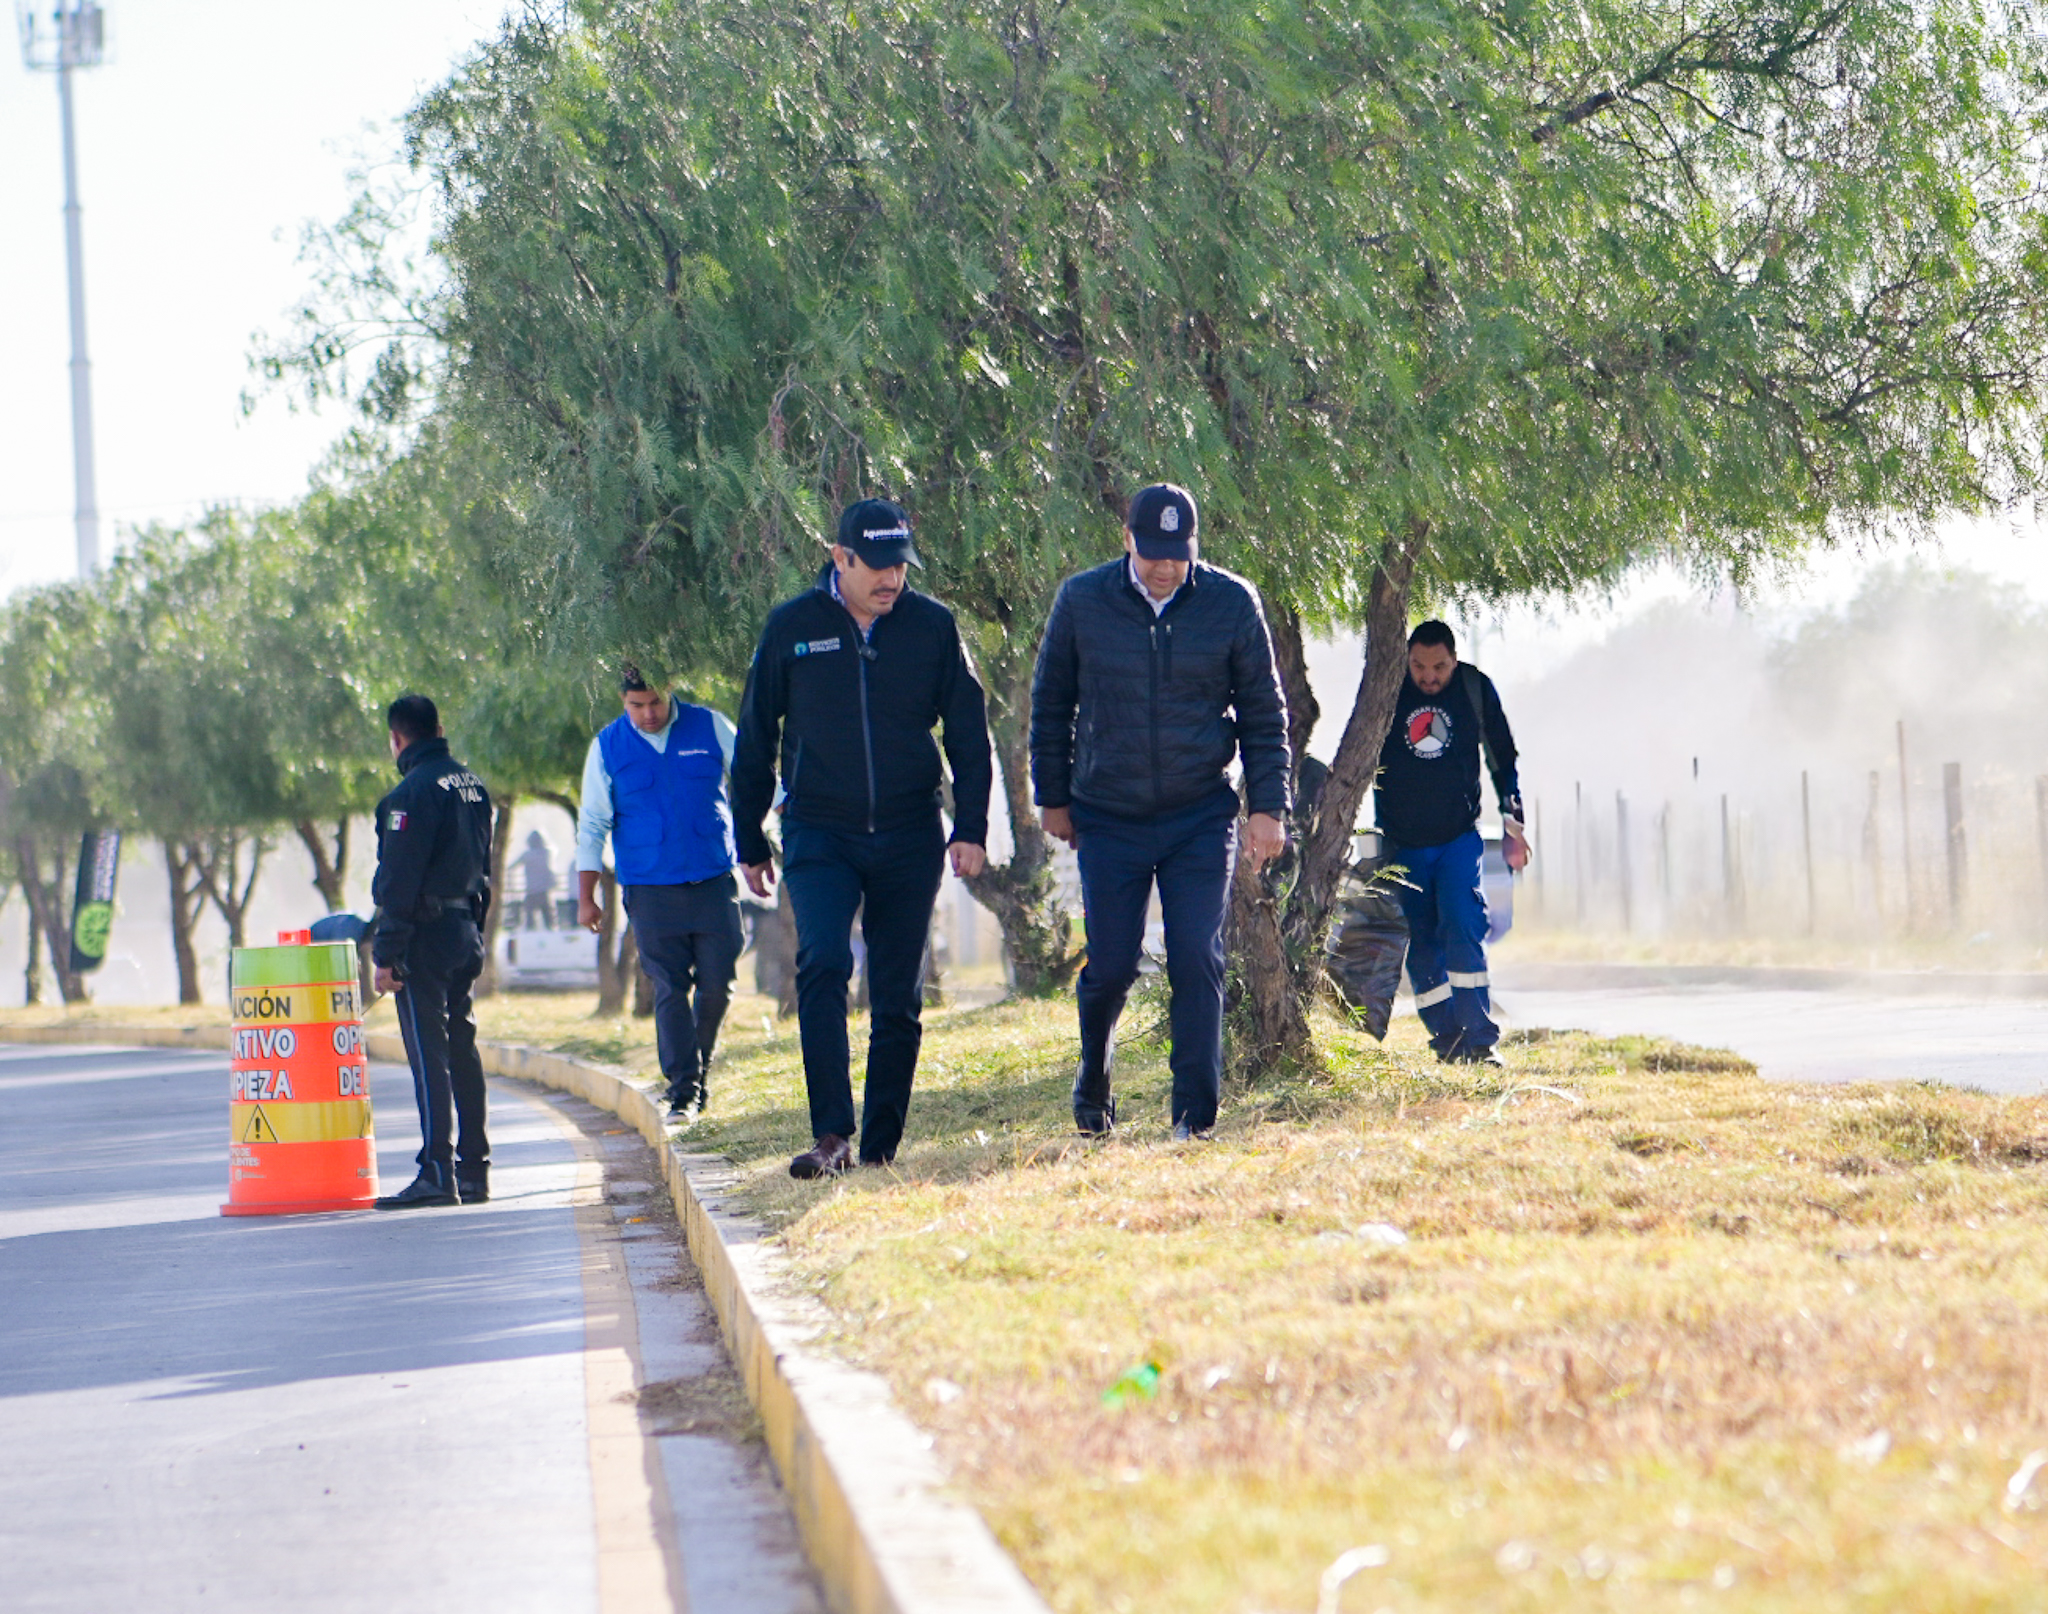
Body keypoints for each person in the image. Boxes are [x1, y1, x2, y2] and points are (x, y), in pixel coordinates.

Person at [731, 498, 993, 1178]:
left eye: (900, 567)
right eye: (875, 567)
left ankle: (878, 1147)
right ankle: (831, 1135)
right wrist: (750, 840)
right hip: (819, 830)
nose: (891, 580)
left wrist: (971, 827)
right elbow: (757, 736)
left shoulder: (933, 627)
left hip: (909, 830)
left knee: (898, 988)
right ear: (839, 558)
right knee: (822, 963)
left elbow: (966, 730)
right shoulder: (792, 627)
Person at [1029, 482, 1291, 1139]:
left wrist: (1269, 806)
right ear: (1127, 542)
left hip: (1199, 813)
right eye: (1152, 554)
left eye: (1178, 553)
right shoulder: (1082, 601)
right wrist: (1053, 796)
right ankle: (1094, 1079)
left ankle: (1193, 1119)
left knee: (1196, 956)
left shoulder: (1231, 603)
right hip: (1108, 812)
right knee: (1112, 964)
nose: (1165, 566)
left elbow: (1264, 712)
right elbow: (1050, 706)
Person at [576, 666, 745, 1120]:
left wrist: (768, 841)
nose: (649, 714)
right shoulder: (608, 746)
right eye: (637, 705)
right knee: (670, 986)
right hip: (649, 889)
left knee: (717, 985)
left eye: (655, 702)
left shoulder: (710, 726)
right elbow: (592, 823)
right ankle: (683, 1088)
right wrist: (586, 895)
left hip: (712, 881)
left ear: (669, 692)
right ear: (622, 702)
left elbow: (752, 781)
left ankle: (696, 1069)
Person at [1374, 619, 1529, 1065]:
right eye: (1419, 666)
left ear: (1454, 659)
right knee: (1423, 943)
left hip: (1459, 838)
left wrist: (1515, 826)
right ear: (1407, 660)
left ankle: (1479, 1042)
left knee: (1463, 926)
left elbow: (1504, 761)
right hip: (1403, 845)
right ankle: (1448, 1041)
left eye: (1439, 666)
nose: (1429, 676)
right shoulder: (1389, 690)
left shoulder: (1473, 689)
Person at [370, 693, 495, 1208]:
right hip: (465, 927)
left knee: (429, 1054)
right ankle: (474, 1171)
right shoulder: (472, 785)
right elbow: (484, 860)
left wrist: (386, 953)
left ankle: (437, 1172)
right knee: (461, 1047)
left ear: (397, 739)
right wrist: (476, 927)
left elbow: (398, 881)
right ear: (438, 727)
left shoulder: (410, 794)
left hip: (426, 935)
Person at [518, 831, 557, 928]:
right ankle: (552, 932)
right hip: (545, 891)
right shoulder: (548, 853)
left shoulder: (527, 855)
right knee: (549, 918)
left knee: (529, 918)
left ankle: (530, 933)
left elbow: (513, 866)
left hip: (531, 891)